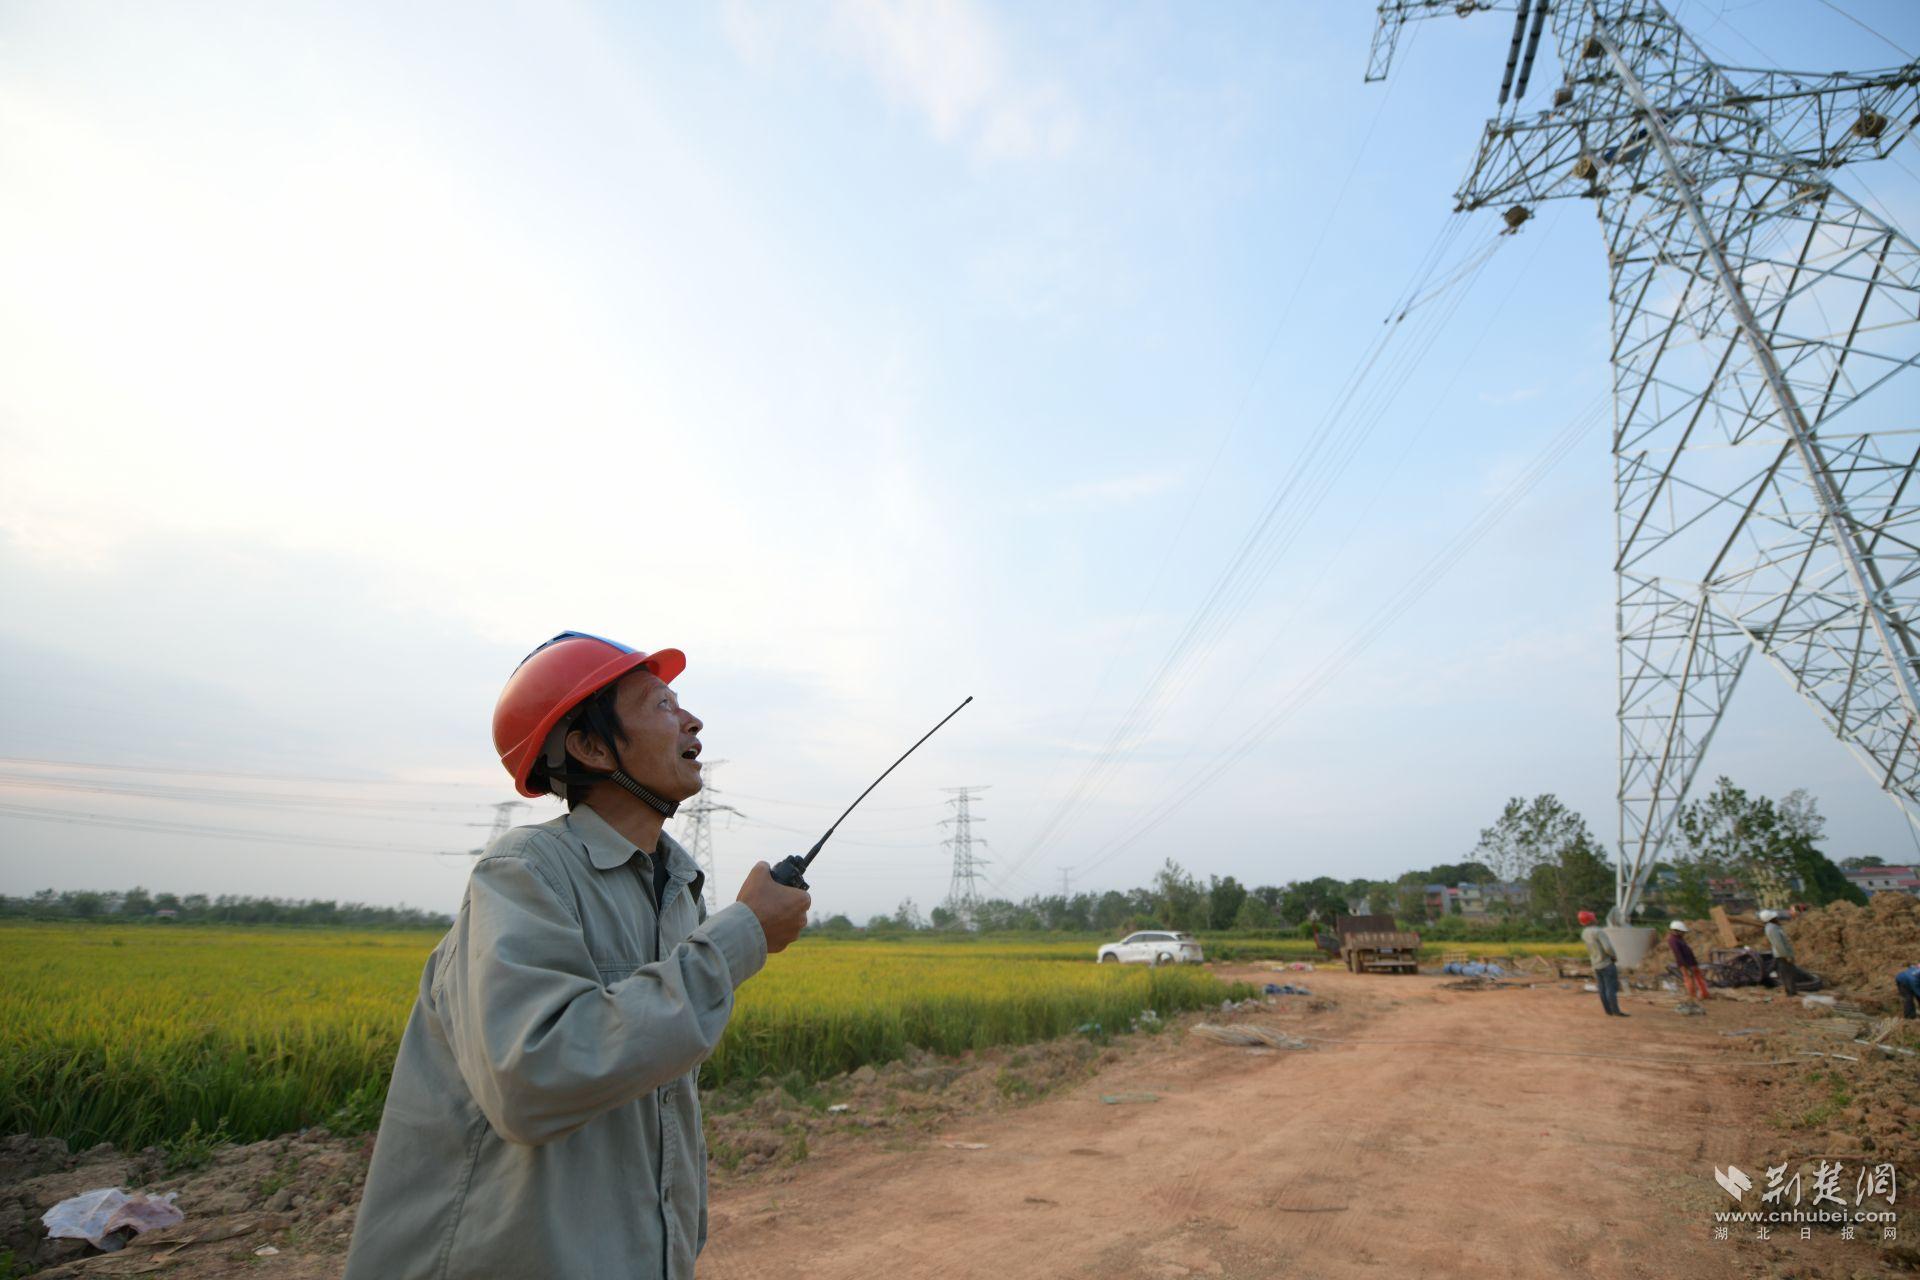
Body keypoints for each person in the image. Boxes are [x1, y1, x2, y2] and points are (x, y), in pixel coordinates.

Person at [344, 632, 812, 1280]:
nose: (692, 719)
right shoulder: (525, 874)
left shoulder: (678, 891)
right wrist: (743, 937)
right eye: (661, 705)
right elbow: (533, 1078)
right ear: (591, 747)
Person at [1579, 910, 1626, 1017]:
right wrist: (1614, 956)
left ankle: (1608, 1011)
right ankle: (1616, 1011)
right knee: (1611, 988)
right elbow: (1608, 947)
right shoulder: (1599, 931)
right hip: (1606, 963)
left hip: (1595, 964)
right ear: (1591, 919)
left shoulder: (1584, 933)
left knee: (1602, 988)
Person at [1759, 908, 1805, 996]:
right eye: (1774, 917)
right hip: (1782, 955)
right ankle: (1791, 993)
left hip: (1783, 954)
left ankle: (1791, 991)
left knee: (1788, 973)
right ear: (1771, 919)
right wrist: (1786, 955)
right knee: (1787, 974)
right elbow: (1778, 944)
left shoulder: (1774, 927)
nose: (1777, 918)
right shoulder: (1772, 929)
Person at [1667, 920, 1710, 1002]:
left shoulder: (1679, 939)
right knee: (1689, 979)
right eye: (1682, 932)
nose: (1684, 934)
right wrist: (1685, 965)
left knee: (1698, 977)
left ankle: (1704, 994)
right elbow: (1678, 954)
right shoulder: (1673, 940)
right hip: (1685, 964)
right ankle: (1693, 996)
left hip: (1692, 963)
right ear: (1677, 931)